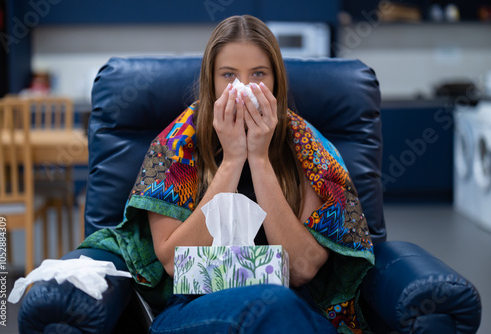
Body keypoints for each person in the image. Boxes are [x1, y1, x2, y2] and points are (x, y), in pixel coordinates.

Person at [80, 15, 374, 333]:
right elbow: (173, 264)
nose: (243, 88)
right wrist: (233, 160)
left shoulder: (307, 150)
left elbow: (301, 268)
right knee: (274, 307)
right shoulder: (175, 145)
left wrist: (259, 159)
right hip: (195, 303)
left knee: (280, 306)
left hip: (290, 303)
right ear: (212, 81)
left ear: (276, 81)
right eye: (229, 75)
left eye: (258, 74)